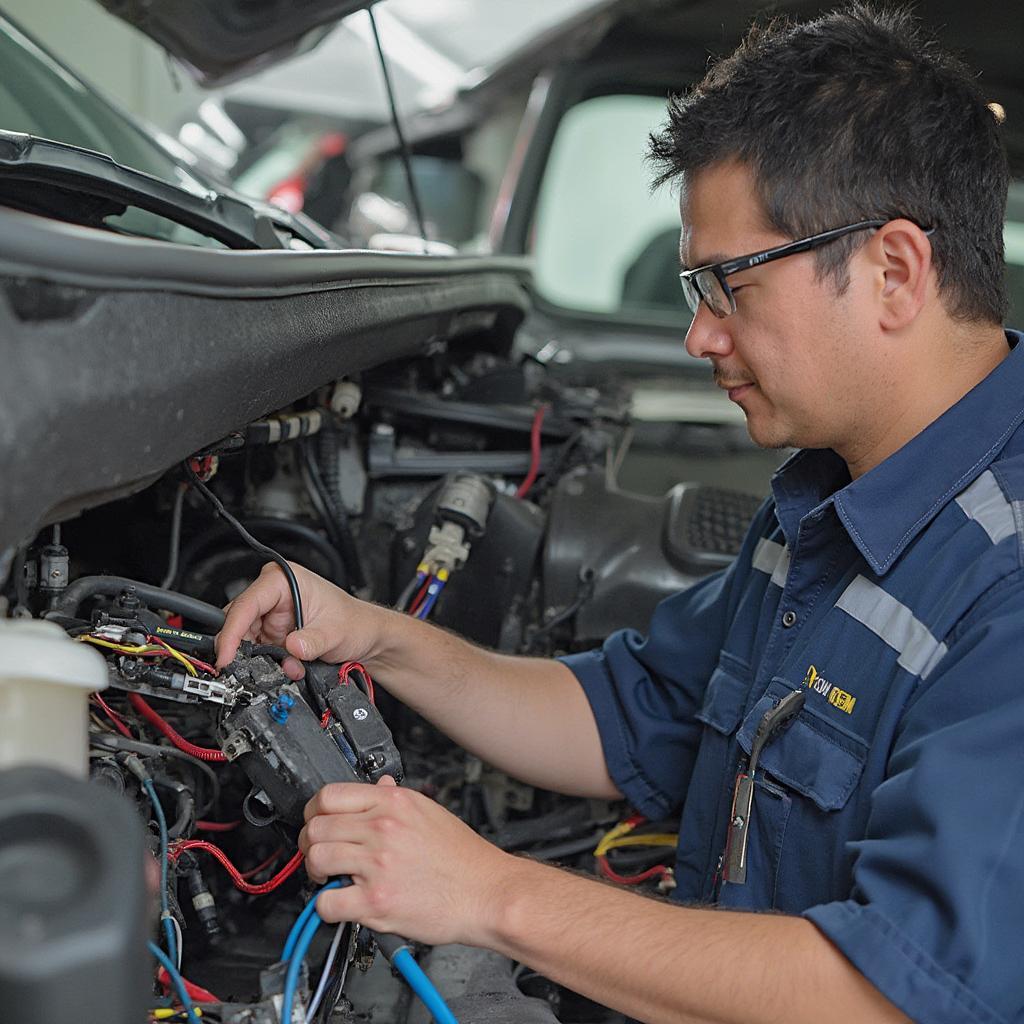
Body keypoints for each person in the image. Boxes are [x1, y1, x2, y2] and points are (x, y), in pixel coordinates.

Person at [217, 6, 1021, 1022]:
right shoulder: (829, 499)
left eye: (726, 286)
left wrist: (489, 893)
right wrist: (378, 638)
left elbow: (886, 995)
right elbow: (619, 713)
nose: (696, 333)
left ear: (894, 273)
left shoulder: (1004, 588)